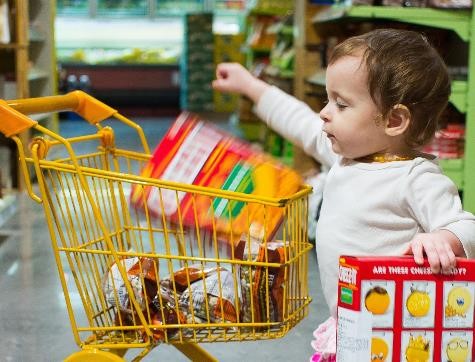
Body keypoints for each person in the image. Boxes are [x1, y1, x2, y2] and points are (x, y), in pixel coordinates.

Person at [212, 28, 475, 361]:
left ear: (394, 119)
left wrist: (444, 238)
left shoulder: (415, 178)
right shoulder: (344, 156)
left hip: (395, 337)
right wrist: (249, 85)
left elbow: (465, 225)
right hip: (349, 325)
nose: (324, 112)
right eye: (327, 98)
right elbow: (299, 122)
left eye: (341, 103)